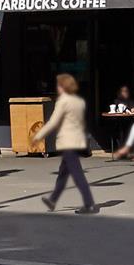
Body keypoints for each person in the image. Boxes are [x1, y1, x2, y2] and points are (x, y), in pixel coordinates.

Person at [39, 73, 99, 213]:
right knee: (63, 173)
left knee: (78, 175)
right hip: (77, 140)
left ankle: (89, 204)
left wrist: (38, 136)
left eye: (59, 85)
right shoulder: (79, 102)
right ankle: (52, 200)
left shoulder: (62, 102)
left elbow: (53, 122)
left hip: (67, 142)